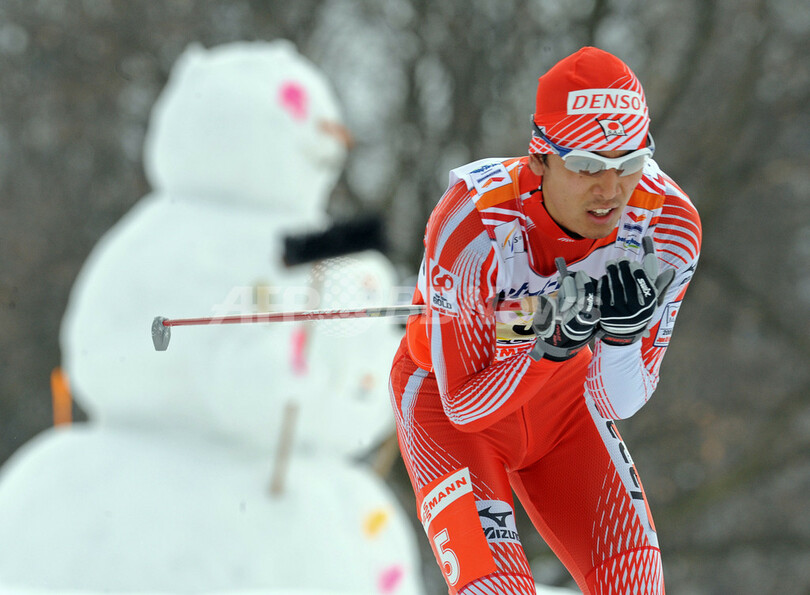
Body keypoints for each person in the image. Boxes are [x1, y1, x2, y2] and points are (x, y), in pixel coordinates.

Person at [389, 46, 701, 594]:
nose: (610, 190)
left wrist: (622, 338)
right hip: (449, 408)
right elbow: (464, 407)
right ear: (540, 160)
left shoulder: (668, 223)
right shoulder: (472, 222)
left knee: (635, 584)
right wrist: (549, 340)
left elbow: (618, 401)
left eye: (629, 163)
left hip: (563, 408)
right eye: (587, 166)